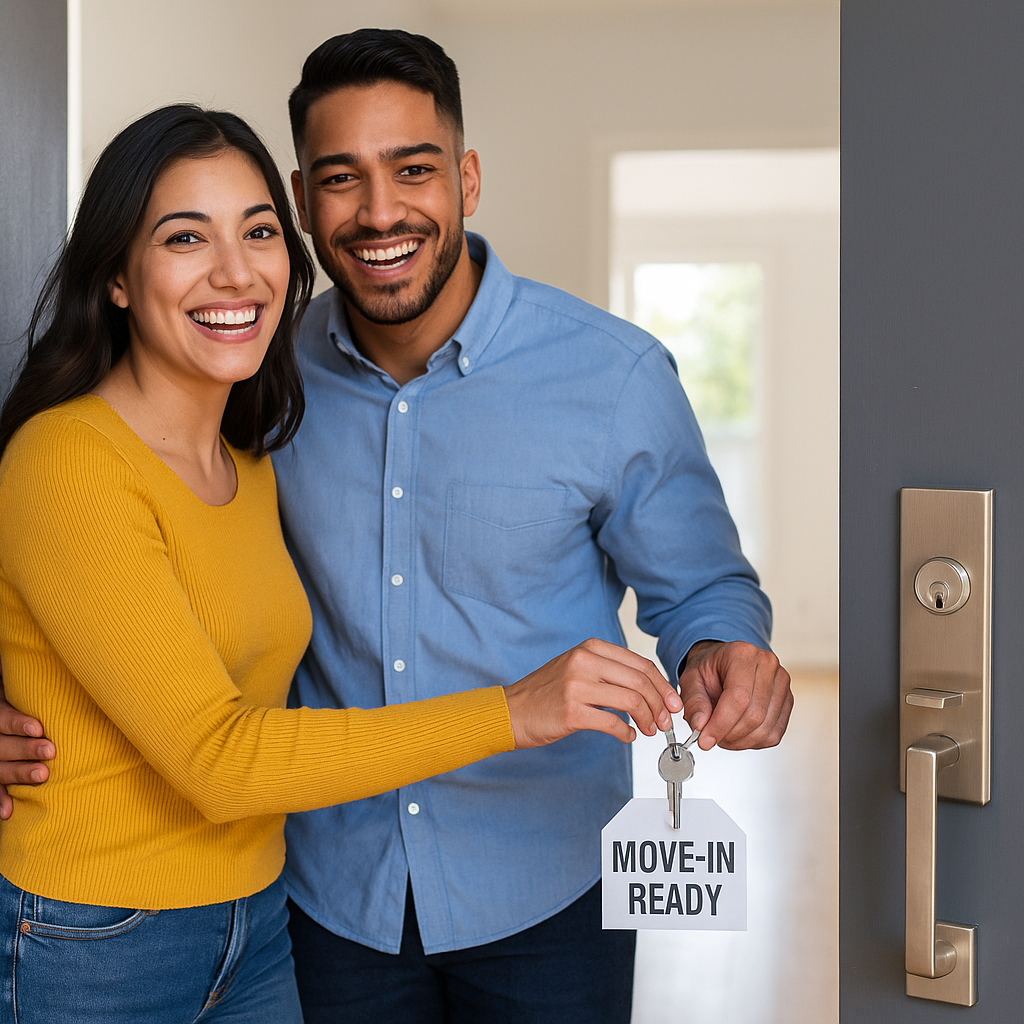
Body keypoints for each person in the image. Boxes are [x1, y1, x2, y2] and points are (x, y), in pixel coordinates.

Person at [0, 28, 795, 1023]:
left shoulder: (614, 374)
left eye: (412, 169)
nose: (380, 212)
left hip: (544, 884)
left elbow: (700, 586)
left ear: (465, 178)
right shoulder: (253, 376)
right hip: (323, 900)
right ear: (305, 201)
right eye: (341, 178)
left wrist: (729, 646)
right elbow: (76, 562)